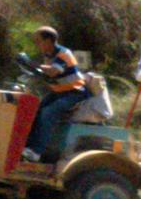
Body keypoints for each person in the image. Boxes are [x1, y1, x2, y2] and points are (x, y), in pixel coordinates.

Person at [22, 26, 96, 166]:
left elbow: (53, 72)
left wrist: (30, 63)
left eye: (39, 41)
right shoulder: (48, 54)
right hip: (60, 91)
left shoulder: (63, 53)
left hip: (76, 92)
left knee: (48, 113)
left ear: (49, 40)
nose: (37, 45)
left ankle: (36, 151)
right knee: (35, 110)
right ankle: (27, 146)